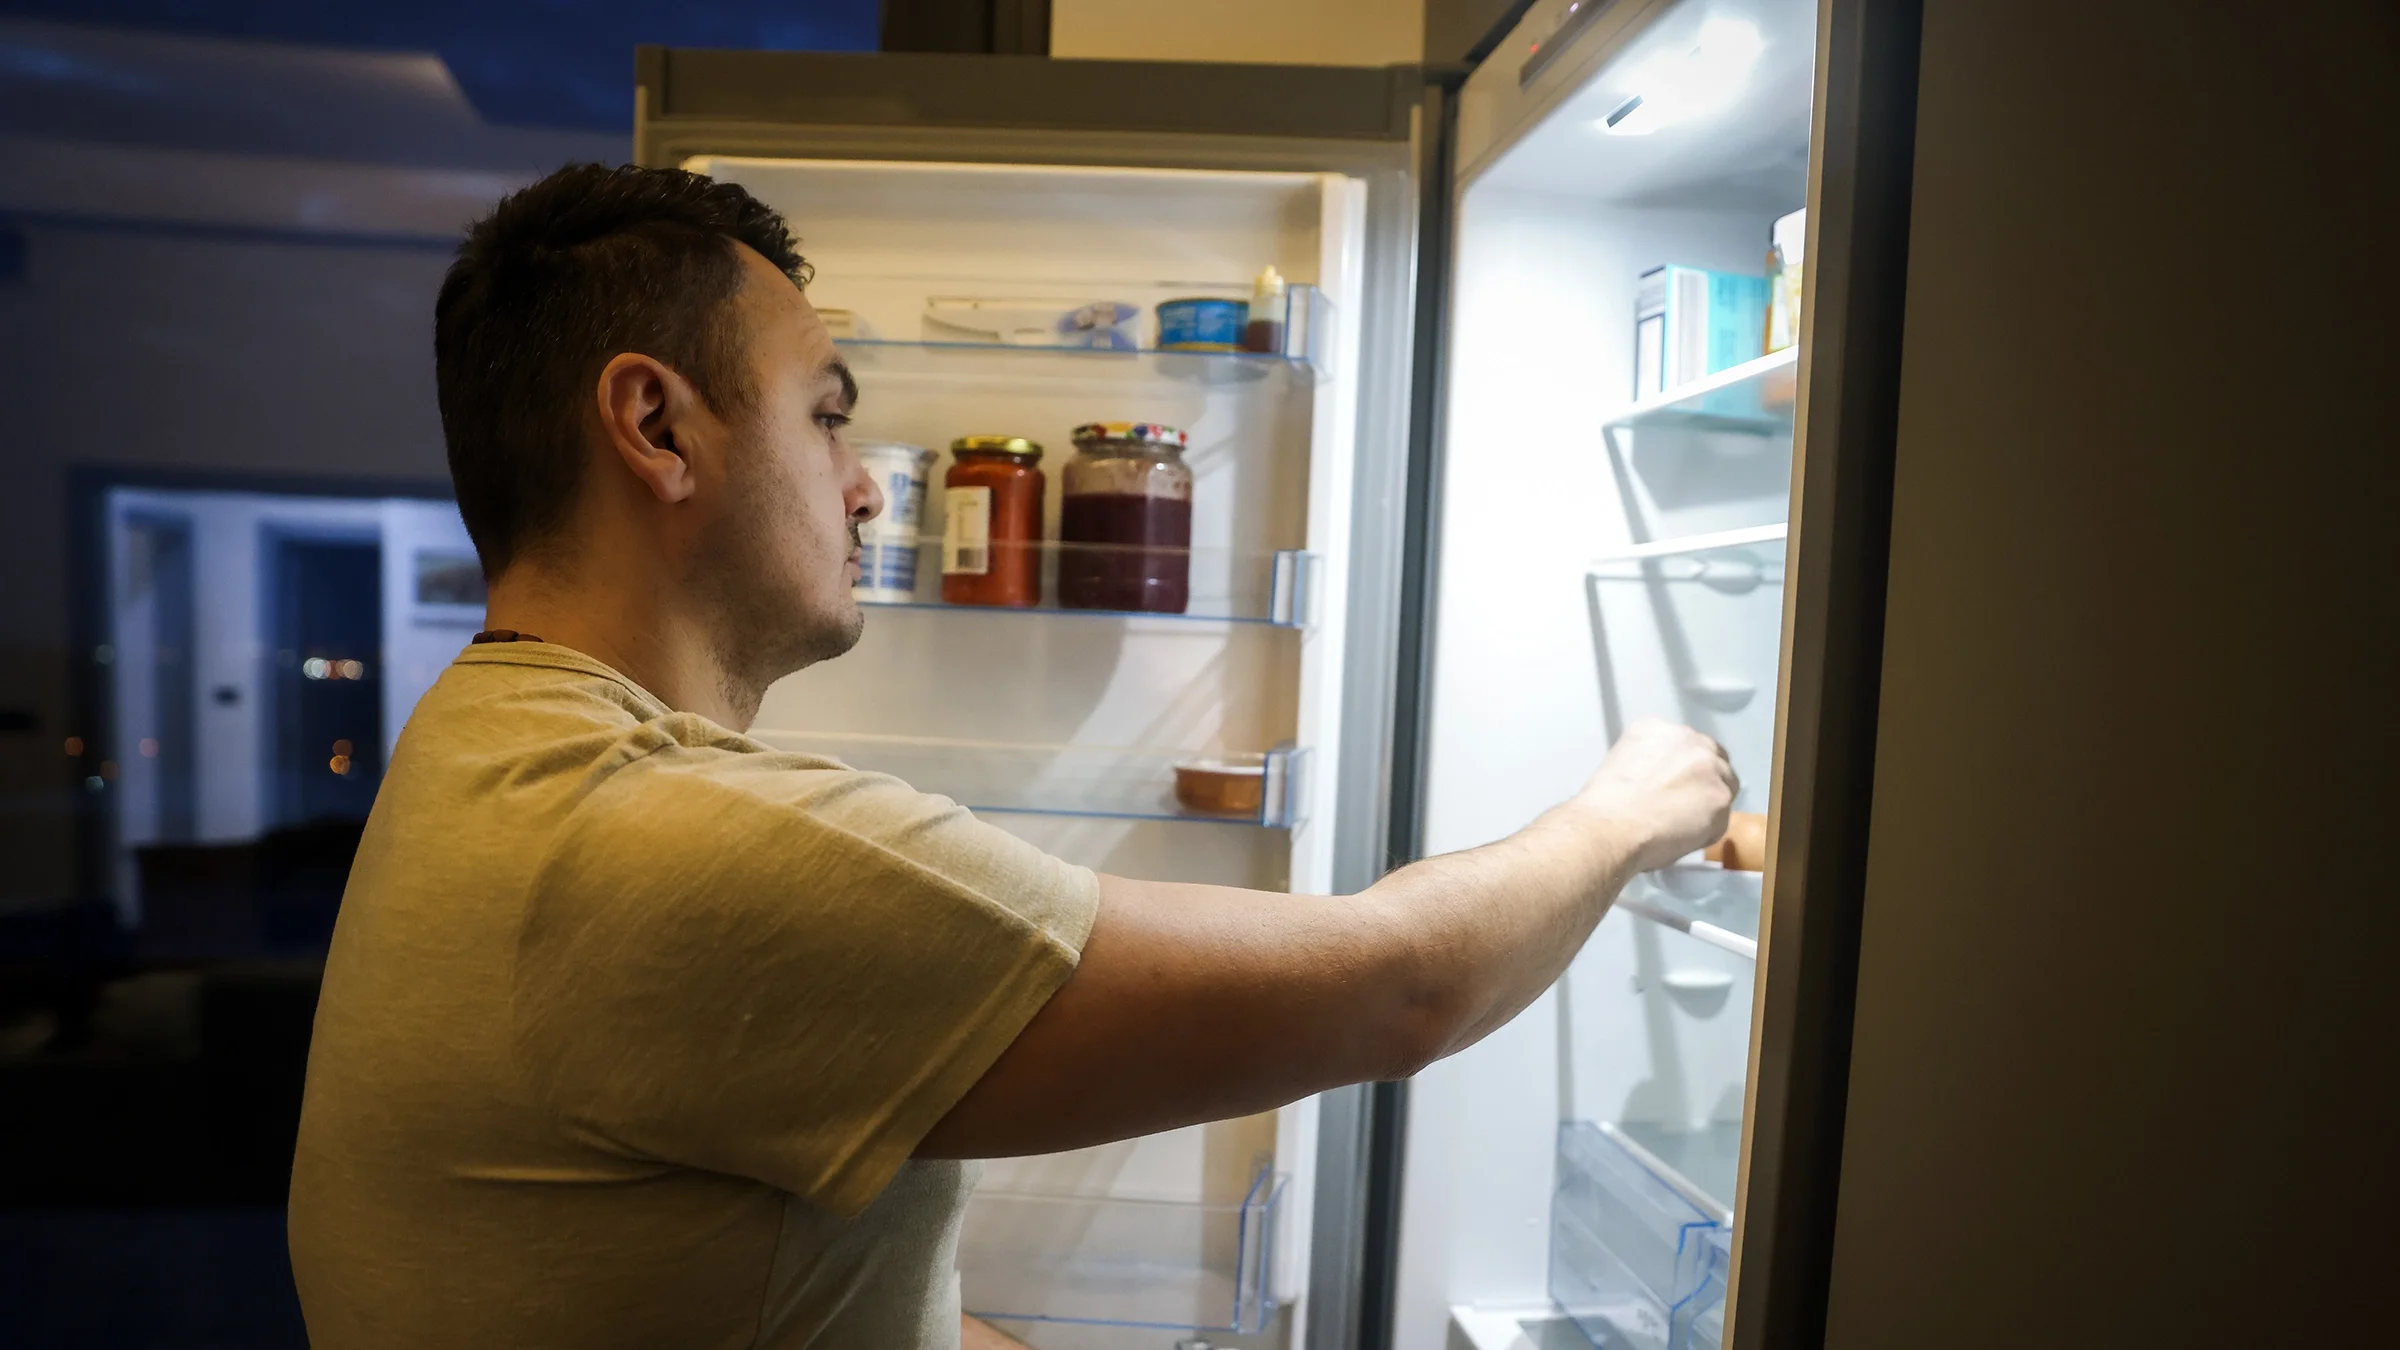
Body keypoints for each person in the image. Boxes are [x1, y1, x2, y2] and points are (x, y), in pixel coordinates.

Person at [285, 164, 1738, 1350]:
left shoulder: (480, 742)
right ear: (656, 426)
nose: (863, 485)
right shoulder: (649, 847)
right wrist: (1627, 809)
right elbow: (1401, 986)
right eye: (828, 414)